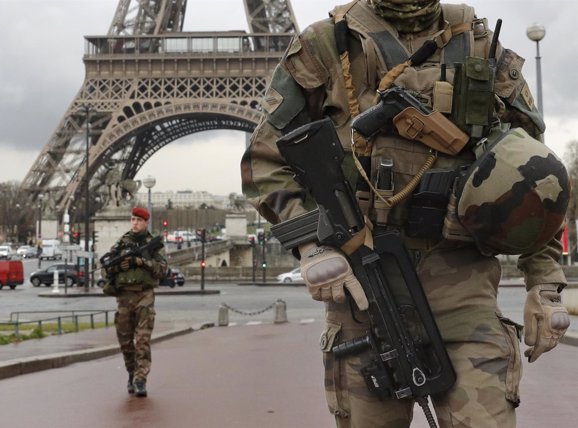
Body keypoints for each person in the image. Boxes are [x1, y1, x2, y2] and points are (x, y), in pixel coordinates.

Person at [241, 1, 570, 426]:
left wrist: (544, 282)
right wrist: (310, 245)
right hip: (362, 285)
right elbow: (264, 159)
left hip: (462, 289)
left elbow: (535, 178)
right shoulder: (324, 45)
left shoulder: (480, 44)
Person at [104, 206, 167, 397]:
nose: (135, 223)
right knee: (124, 341)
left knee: (142, 340)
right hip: (124, 297)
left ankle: (141, 379)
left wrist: (142, 262)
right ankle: (131, 373)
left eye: (138, 220)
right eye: (132, 220)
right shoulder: (121, 244)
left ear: (145, 222)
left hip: (144, 296)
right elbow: (105, 269)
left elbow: (163, 270)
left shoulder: (153, 244)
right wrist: (118, 268)